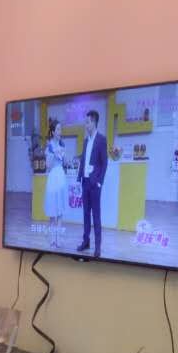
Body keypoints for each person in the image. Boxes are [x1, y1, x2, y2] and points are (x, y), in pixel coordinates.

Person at [76, 109, 109, 257]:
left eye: (88, 122)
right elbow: (83, 160)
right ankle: (86, 241)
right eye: (85, 122)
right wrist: (79, 178)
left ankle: (97, 246)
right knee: (85, 214)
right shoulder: (85, 141)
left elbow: (104, 163)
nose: (86, 125)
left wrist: (99, 182)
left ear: (94, 122)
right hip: (85, 183)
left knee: (96, 215)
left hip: (95, 184)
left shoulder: (101, 140)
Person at [43, 119, 68, 247]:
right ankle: (52, 239)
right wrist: (53, 153)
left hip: (61, 177)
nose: (60, 131)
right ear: (53, 132)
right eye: (58, 129)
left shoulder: (62, 145)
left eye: (60, 129)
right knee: (53, 209)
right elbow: (48, 166)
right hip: (53, 177)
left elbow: (65, 163)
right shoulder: (49, 147)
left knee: (60, 210)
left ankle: (59, 239)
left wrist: (63, 154)